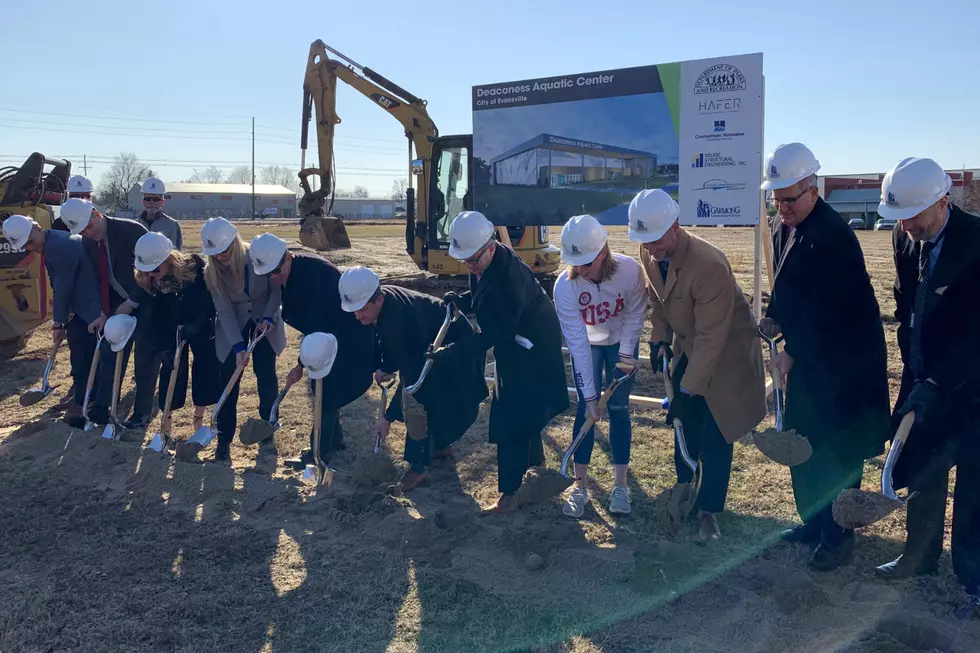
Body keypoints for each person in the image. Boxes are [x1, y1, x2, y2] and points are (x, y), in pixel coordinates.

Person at [760, 142, 891, 570]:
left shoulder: (834, 237)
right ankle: (813, 523)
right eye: (776, 199)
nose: (782, 208)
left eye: (789, 198)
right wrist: (774, 316)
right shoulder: (785, 227)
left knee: (837, 451)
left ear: (812, 189)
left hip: (844, 364)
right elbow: (788, 287)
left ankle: (837, 538)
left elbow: (832, 311)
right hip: (810, 365)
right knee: (804, 443)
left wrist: (793, 353)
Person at [627, 189, 767, 541]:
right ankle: (685, 490)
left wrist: (688, 390)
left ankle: (709, 511)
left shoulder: (709, 264)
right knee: (684, 425)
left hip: (727, 352)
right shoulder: (649, 251)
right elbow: (660, 302)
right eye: (646, 242)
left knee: (715, 431)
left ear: (675, 227)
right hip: (692, 346)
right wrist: (659, 337)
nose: (652, 249)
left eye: (657, 241)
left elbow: (712, 338)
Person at [871, 157, 980, 608]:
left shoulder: (976, 242)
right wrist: (916, 370)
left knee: (974, 480)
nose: (906, 225)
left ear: (942, 200)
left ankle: (973, 571)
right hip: (924, 375)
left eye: (913, 215)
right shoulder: (904, 237)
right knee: (923, 470)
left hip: (972, 385)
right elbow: (906, 306)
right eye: (899, 217)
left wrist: (938, 380)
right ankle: (919, 555)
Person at [428, 211, 569, 514]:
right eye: (465, 260)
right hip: (518, 339)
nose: (469, 265)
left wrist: (451, 354)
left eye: (473, 260)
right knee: (523, 409)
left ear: (490, 247)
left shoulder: (507, 278)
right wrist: (463, 300)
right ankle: (536, 464)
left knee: (511, 416)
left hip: (532, 348)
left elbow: (493, 336)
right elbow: (483, 291)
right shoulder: (487, 259)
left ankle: (509, 495)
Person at [338, 265, 488, 491]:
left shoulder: (397, 321)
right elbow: (389, 343)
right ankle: (439, 447)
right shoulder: (383, 302)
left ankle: (418, 468)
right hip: (433, 344)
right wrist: (386, 367)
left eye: (361, 309)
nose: (357, 315)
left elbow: (413, 379)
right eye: (354, 310)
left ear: (377, 300)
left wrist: (388, 417)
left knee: (417, 403)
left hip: (457, 348)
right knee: (428, 396)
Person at [247, 233, 375, 470]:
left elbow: (321, 325)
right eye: (269, 274)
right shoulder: (291, 276)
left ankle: (319, 452)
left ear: (287, 257)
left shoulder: (314, 275)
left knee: (324, 394)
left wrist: (300, 363)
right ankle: (336, 441)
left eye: (276, 271)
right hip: (325, 335)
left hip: (344, 336)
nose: (274, 278)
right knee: (325, 391)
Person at [552, 214, 646, 517]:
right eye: (575, 263)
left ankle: (620, 484)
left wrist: (628, 354)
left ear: (603, 252)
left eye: (587, 263)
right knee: (584, 409)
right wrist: (590, 397)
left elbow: (635, 314)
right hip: (590, 345)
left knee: (619, 408)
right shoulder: (564, 287)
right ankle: (579, 486)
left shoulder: (631, 271)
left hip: (621, 341)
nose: (580, 270)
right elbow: (577, 343)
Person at [59, 197, 159, 428]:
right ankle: (103, 407)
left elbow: (152, 271)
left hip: (149, 301)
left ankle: (141, 413)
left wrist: (132, 302)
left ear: (96, 214)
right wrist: (104, 313)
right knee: (109, 350)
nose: (88, 233)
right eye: (82, 231)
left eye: (89, 227)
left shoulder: (131, 232)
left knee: (145, 357)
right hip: (117, 303)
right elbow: (100, 278)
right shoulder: (88, 243)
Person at [1, 214, 106, 422]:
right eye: (25, 246)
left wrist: (58, 323)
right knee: (78, 352)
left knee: (87, 355)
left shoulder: (60, 246)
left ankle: (89, 401)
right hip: (79, 305)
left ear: (38, 228)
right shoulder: (53, 242)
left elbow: (62, 287)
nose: (30, 248)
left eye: (30, 242)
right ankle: (80, 395)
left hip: (91, 305)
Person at [200, 218, 285, 462]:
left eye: (225, 250)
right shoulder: (212, 273)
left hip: (263, 317)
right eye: (216, 253)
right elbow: (224, 311)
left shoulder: (256, 255)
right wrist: (238, 347)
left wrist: (268, 317)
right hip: (234, 322)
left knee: (266, 374)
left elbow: (275, 291)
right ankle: (224, 437)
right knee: (228, 377)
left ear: (234, 242)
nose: (222, 256)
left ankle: (267, 428)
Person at [132, 232, 219, 447]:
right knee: (171, 371)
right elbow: (156, 314)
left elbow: (207, 301)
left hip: (200, 325)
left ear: (168, 259)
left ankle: (199, 422)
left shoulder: (195, 269)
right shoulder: (150, 281)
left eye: (156, 269)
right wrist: (164, 346)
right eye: (147, 271)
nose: (153, 275)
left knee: (204, 369)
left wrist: (196, 326)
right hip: (171, 328)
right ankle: (166, 426)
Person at [136, 177, 183, 250]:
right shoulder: (134, 224)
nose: (151, 202)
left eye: (156, 199)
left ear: (162, 202)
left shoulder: (172, 225)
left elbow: (178, 254)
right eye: (148, 199)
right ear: (143, 201)